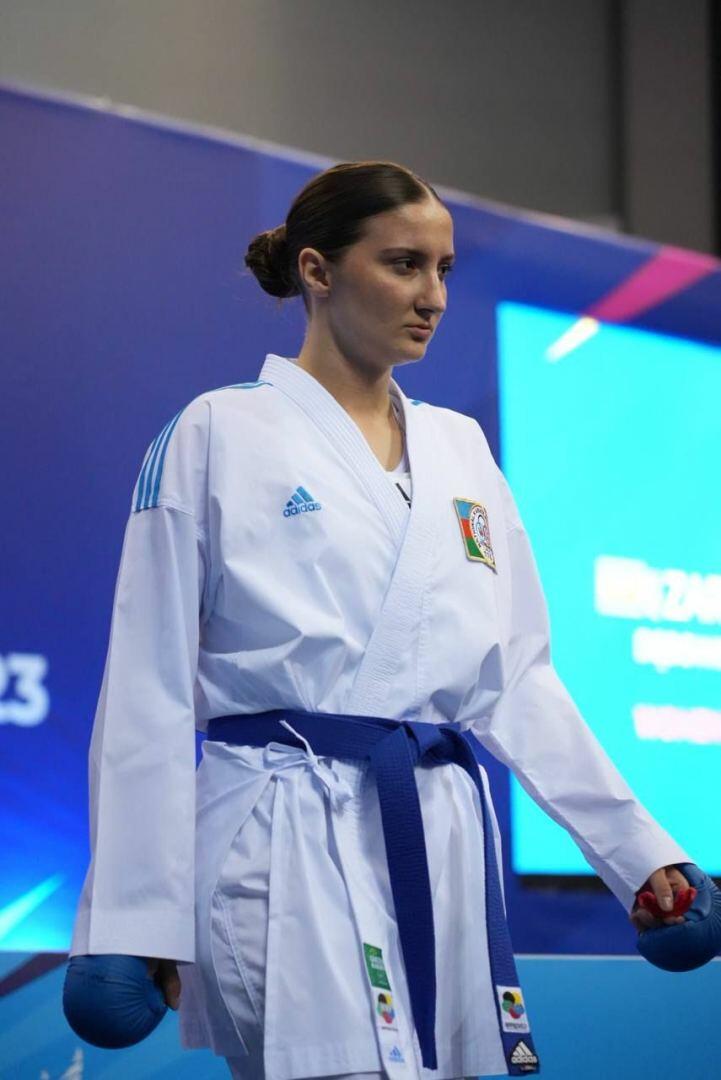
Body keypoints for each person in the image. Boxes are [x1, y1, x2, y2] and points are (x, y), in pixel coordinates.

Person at [69, 160, 695, 1079]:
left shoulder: (460, 449)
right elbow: (147, 689)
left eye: (443, 270)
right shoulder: (214, 434)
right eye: (403, 264)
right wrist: (132, 919)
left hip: (438, 835)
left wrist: (637, 854)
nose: (432, 296)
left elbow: (516, 679)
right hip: (281, 837)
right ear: (317, 270)